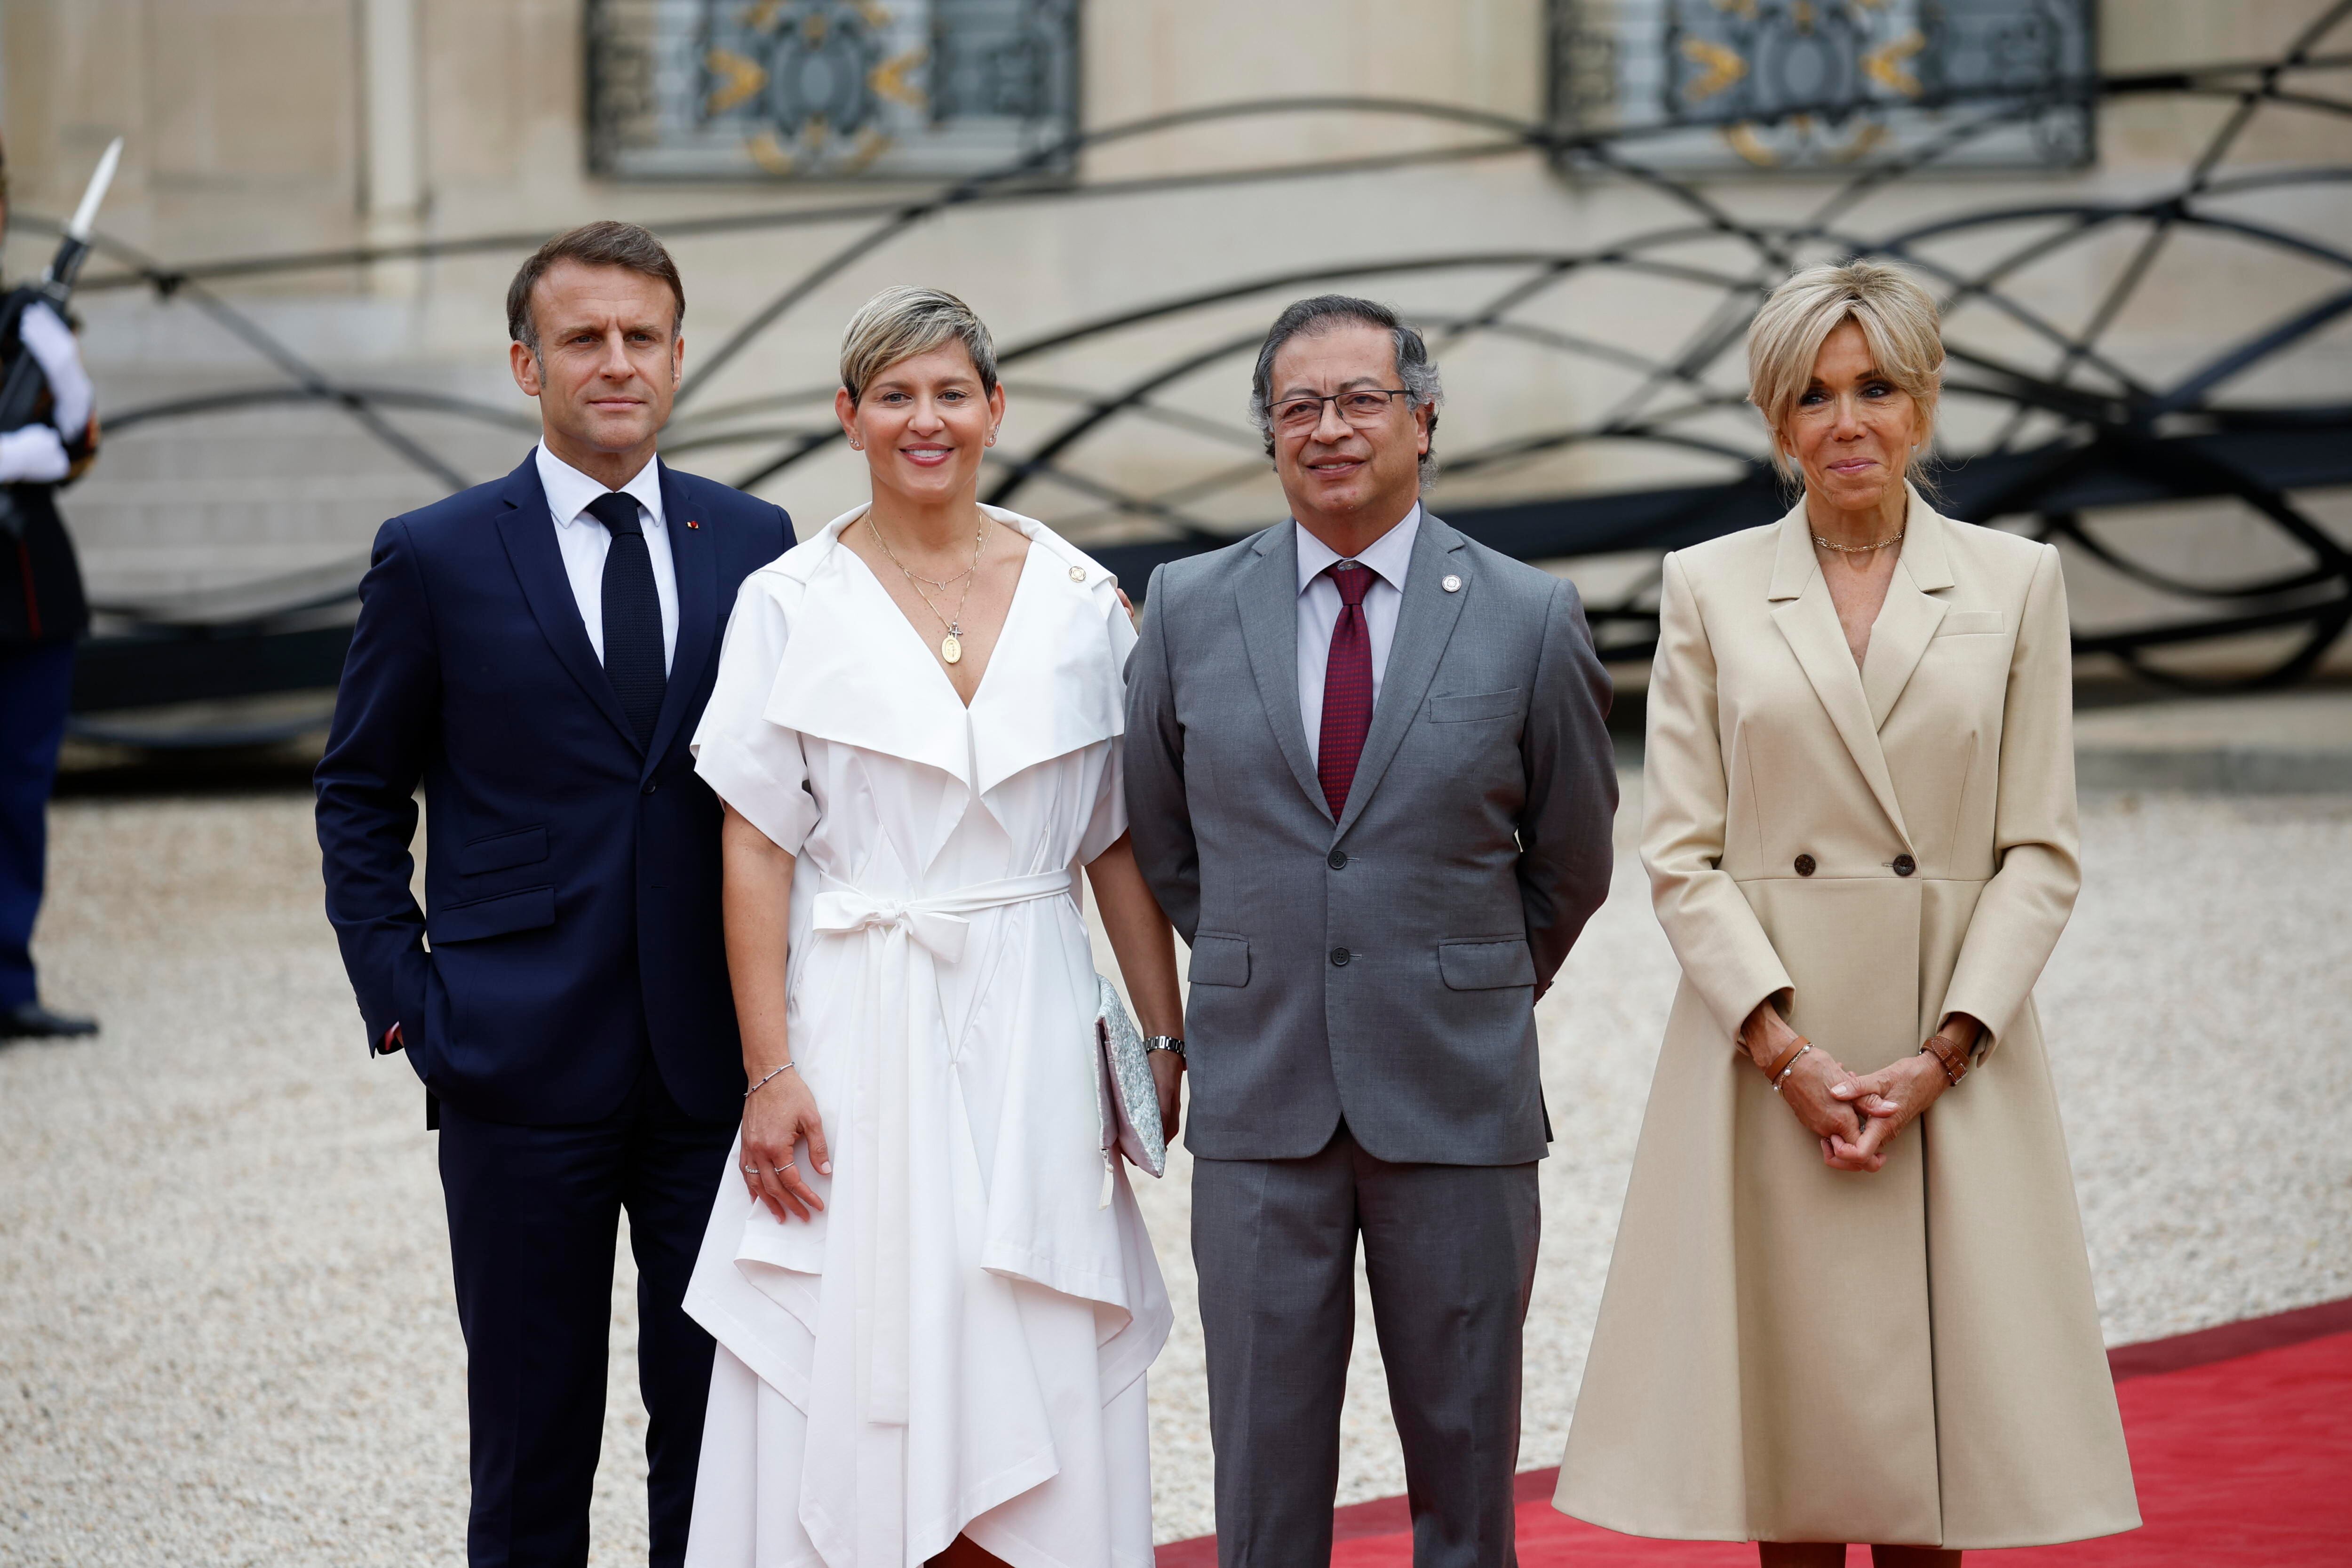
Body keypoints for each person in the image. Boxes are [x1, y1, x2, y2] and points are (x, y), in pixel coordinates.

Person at [1553, 260, 2139, 1563]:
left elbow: (2038, 848)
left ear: (1924, 402)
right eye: (1812, 397)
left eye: (1877, 387)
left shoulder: (2017, 582)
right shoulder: (1707, 586)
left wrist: (1946, 1049)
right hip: (1772, 1056)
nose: (1848, 421)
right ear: (1777, 422)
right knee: (1796, 1463)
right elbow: (1681, 850)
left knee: (1943, 1465)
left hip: (1952, 1055)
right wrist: (1785, 1051)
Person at [679, 286, 1183, 1568]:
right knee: (863, 1343)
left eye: (951, 391)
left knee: (1030, 1333)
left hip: (1031, 1024)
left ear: (995, 409)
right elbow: (754, 841)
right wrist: (769, 1069)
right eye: (894, 394)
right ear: (848, 416)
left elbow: (1115, 836)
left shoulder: (1081, 595)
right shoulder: (787, 600)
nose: (926, 418)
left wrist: (1164, 1037)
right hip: (856, 1021)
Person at [315, 221, 793, 1568]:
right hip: (515, 1058)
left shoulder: (755, 539)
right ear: (527, 362)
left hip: (720, 1069)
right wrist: (406, 1000)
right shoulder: (437, 553)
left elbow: (800, 783)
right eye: (585, 337)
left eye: (643, 336)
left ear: (680, 356)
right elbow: (358, 794)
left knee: (720, 1430)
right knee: (530, 1436)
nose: (617, 361)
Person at [1124, 294, 1618, 1568]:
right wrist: (1264, 948)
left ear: (1424, 418)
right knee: (1264, 1491)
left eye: (1361, 399)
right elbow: (1167, 838)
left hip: (1454, 1097)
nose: (1331, 428)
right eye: (1299, 406)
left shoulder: (1527, 613)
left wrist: (1470, 979)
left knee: (1466, 1480)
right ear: (1269, 433)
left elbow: (1572, 854)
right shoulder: (1183, 606)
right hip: (1261, 1097)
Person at [0, 133, 103, 1043]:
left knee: (19, 791)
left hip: (25, 592)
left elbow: (81, 442)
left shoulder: (21, 319)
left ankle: (8, 977)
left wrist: (62, 392)